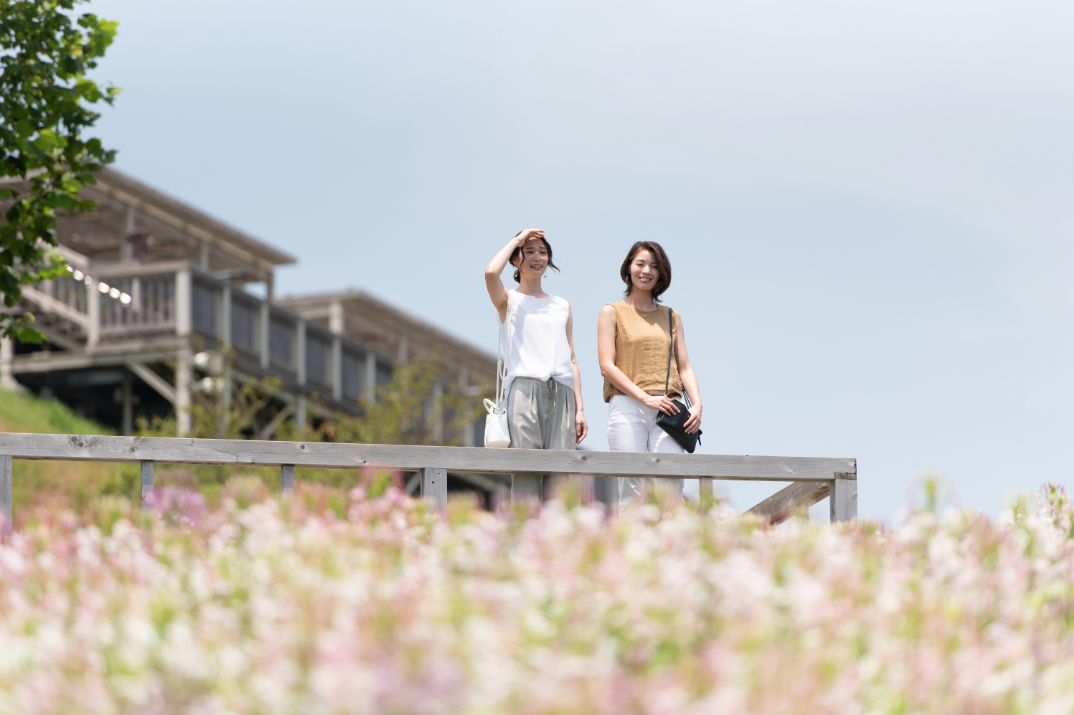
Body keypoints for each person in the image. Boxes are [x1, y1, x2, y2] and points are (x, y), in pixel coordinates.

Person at [597, 241, 702, 512]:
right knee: (631, 488)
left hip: (668, 409)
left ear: (662, 274)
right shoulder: (612, 312)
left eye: (654, 266)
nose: (646, 271)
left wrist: (698, 404)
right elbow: (607, 366)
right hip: (628, 405)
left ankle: (667, 551)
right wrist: (645, 398)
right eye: (640, 263)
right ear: (629, 267)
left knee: (669, 487)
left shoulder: (671, 316)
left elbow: (685, 366)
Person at [484, 228, 588, 499]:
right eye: (529, 252)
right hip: (524, 391)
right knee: (526, 474)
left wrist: (580, 409)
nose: (537, 257)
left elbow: (572, 358)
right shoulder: (509, 300)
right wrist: (519, 238)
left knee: (561, 478)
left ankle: (557, 538)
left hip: (562, 394)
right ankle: (524, 536)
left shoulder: (562, 306)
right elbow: (490, 273)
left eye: (543, 252)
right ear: (516, 259)